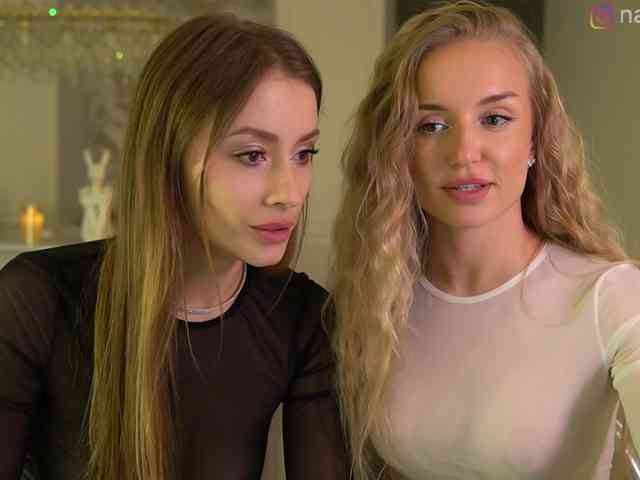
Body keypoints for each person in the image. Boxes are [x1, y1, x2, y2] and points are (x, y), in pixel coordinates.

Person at [0, 14, 347, 480]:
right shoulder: (36, 301)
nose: (289, 193)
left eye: (304, 154)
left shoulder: (301, 318)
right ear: (169, 154)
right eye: (252, 155)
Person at [329, 1, 640, 479]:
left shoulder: (609, 298)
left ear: (536, 138)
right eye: (431, 125)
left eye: (494, 119)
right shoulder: (377, 300)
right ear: (397, 149)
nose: (464, 153)